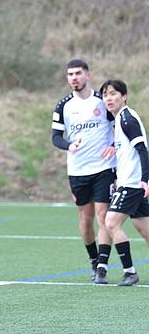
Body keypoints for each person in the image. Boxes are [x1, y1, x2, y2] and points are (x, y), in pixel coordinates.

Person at [50, 59, 116, 282]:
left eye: (78, 73)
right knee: (85, 220)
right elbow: (56, 137)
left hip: (103, 168)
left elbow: (118, 124)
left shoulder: (102, 101)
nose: (74, 78)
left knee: (103, 216)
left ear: (88, 75)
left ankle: (102, 267)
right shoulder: (63, 106)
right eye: (70, 74)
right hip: (78, 171)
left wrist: (113, 145)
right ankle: (93, 260)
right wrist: (69, 145)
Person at [96, 79, 149, 286]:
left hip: (134, 184)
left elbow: (142, 149)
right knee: (145, 230)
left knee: (111, 222)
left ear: (124, 96)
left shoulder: (127, 119)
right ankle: (129, 272)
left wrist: (145, 179)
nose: (108, 98)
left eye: (113, 94)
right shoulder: (119, 120)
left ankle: (130, 272)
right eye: (105, 95)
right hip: (129, 181)